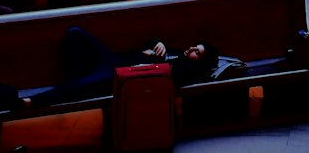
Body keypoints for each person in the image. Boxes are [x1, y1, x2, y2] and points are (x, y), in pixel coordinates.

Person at [28, 27, 218, 109]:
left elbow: (167, 76)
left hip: (120, 75)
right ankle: (76, 83)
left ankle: (33, 101)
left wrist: (153, 62)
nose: (191, 49)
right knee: (75, 33)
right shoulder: (178, 53)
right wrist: (157, 43)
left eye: (197, 53)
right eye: (195, 46)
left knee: (82, 86)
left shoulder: (186, 70)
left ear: (199, 62)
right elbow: (150, 42)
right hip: (114, 59)